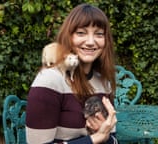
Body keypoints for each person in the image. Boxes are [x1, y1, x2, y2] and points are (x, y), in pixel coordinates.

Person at [26, 3, 117, 144]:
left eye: (99, 34)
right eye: (81, 33)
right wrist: (96, 138)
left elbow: (113, 139)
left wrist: (105, 135)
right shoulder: (50, 81)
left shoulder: (104, 83)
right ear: (68, 37)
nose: (91, 42)